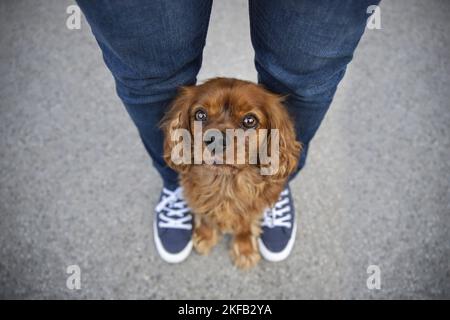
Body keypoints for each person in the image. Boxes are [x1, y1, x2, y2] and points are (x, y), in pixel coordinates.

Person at [76, 0, 380, 263]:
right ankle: (183, 197)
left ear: (273, 135)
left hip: (266, 171)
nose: (217, 136)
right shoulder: (189, 146)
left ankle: (257, 215)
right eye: (200, 116)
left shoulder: (275, 137)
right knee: (150, 77)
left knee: (307, 75)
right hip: (195, 177)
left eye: (248, 121)